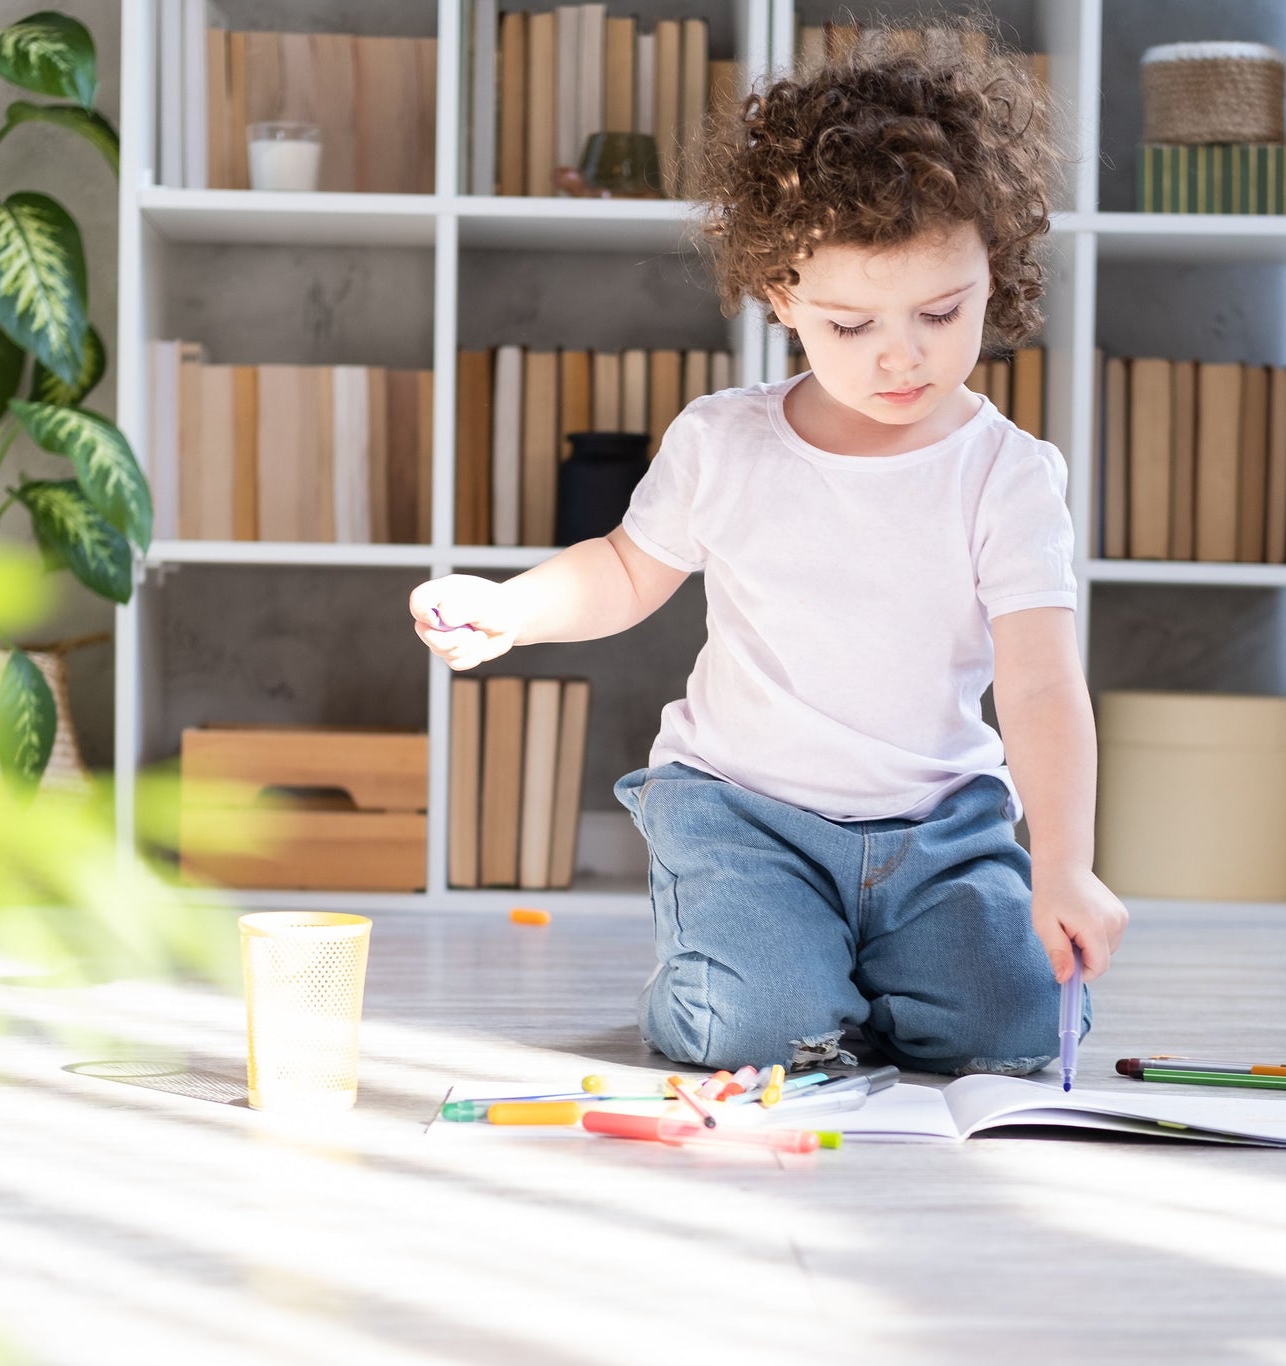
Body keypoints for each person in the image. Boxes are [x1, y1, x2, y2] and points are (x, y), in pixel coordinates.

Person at [411, 29, 1128, 1075]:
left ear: (995, 268)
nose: (901, 354)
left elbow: (1041, 686)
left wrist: (1065, 867)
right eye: (848, 325)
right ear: (782, 296)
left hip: (938, 830)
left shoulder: (1007, 474)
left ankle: (861, 977)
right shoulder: (725, 439)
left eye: (941, 311)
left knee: (1017, 1027)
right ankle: (785, 972)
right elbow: (623, 568)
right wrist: (511, 608)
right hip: (746, 818)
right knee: (752, 1035)